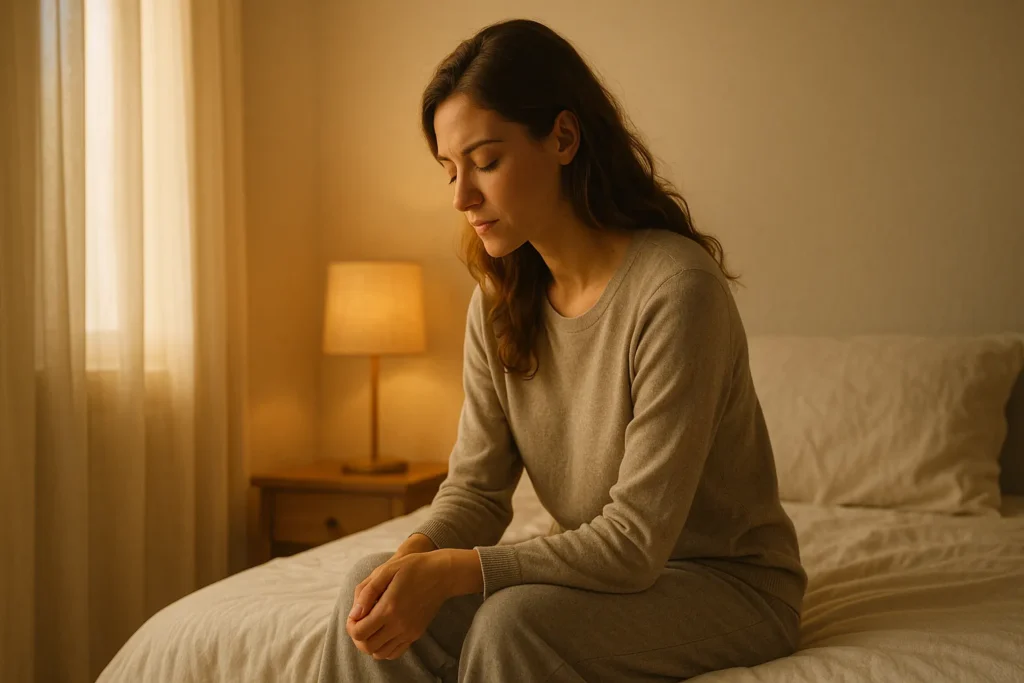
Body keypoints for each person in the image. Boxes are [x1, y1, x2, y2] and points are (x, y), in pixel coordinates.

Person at [317, 18, 806, 683]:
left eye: (485, 161)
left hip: (729, 586)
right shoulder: (498, 300)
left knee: (512, 623)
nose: (461, 196)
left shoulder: (677, 291)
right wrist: (413, 560)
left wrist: (459, 570)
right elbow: (478, 491)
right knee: (364, 587)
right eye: (449, 169)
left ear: (564, 137)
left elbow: (633, 543)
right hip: (606, 577)